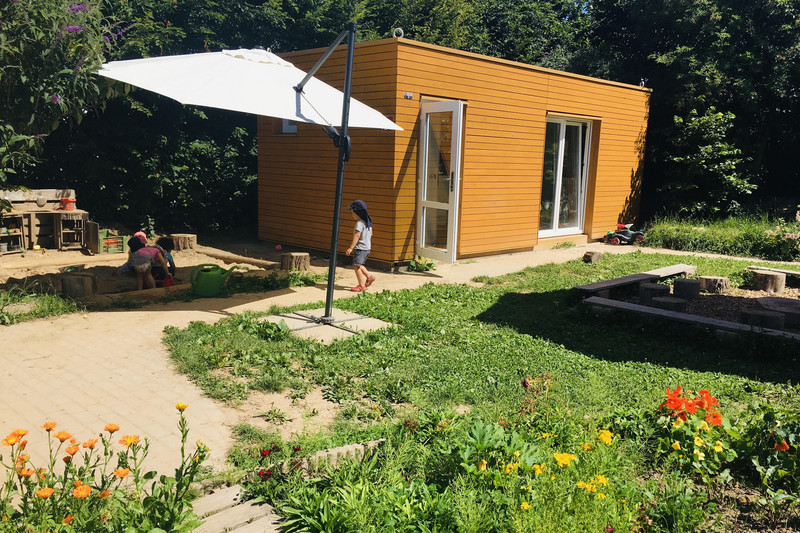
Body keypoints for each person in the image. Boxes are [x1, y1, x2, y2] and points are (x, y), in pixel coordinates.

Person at [345, 200, 375, 292]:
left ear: (357, 212)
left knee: (356, 266)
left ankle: (362, 285)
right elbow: (371, 234)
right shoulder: (368, 222)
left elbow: (357, 235)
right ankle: (370, 277)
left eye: (352, 213)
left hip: (360, 248)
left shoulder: (360, 223)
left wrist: (351, 248)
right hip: (367, 248)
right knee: (359, 264)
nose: (352, 215)